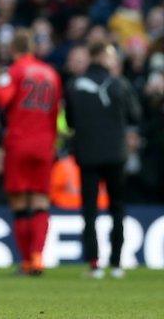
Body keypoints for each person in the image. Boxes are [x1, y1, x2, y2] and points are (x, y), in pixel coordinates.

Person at [0, 29, 62, 276]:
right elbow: (55, 114)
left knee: (19, 203)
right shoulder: (51, 74)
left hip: (19, 142)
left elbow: (3, 98)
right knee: (40, 202)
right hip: (44, 144)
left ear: (14, 50)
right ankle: (38, 257)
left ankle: (27, 260)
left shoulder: (15, 71)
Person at [65, 42, 141, 279]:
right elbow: (135, 115)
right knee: (117, 208)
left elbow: (69, 122)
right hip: (116, 155)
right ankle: (117, 264)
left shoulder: (75, 85)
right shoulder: (120, 83)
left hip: (87, 155)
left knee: (89, 210)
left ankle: (94, 264)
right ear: (104, 57)